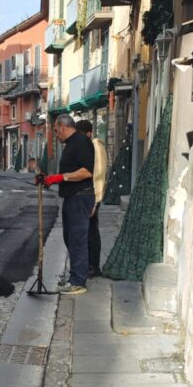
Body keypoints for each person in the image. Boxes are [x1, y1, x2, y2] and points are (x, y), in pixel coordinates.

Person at [36, 114, 95, 295]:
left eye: (55, 130)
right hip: (72, 197)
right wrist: (49, 179)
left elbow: (86, 172)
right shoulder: (71, 144)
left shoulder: (81, 142)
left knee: (77, 239)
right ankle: (74, 276)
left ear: (62, 127)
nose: (55, 134)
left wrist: (61, 177)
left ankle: (78, 282)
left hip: (80, 197)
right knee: (70, 238)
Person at [75, 119, 108, 278]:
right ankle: (89, 265)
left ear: (89, 133)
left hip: (93, 196)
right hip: (86, 195)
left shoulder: (96, 147)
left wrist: (95, 201)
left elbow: (99, 175)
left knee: (91, 231)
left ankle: (94, 267)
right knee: (86, 231)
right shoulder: (87, 147)